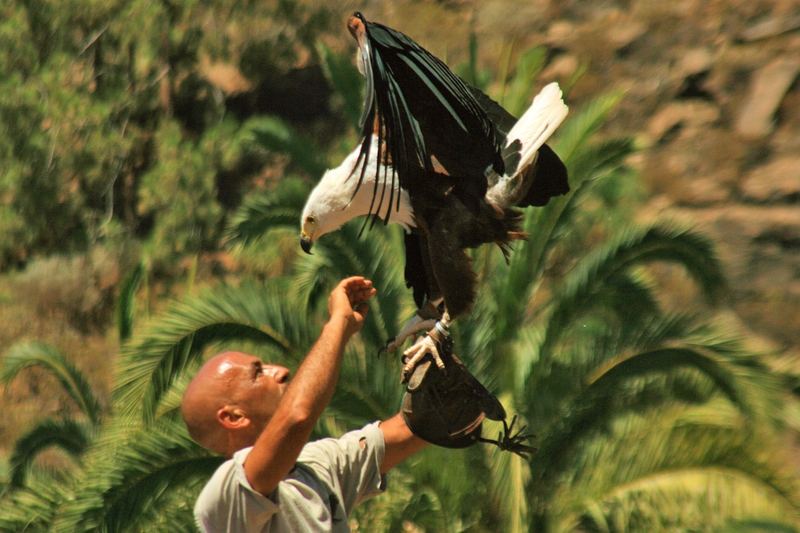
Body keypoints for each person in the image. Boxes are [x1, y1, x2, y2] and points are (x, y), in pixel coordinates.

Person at [181, 276, 428, 532]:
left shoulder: (318, 464)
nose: (281, 370)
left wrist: (438, 330)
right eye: (258, 373)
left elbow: (417, 426)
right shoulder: (225, 499)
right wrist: (338, 325)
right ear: (233, 417)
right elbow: (298, 415)